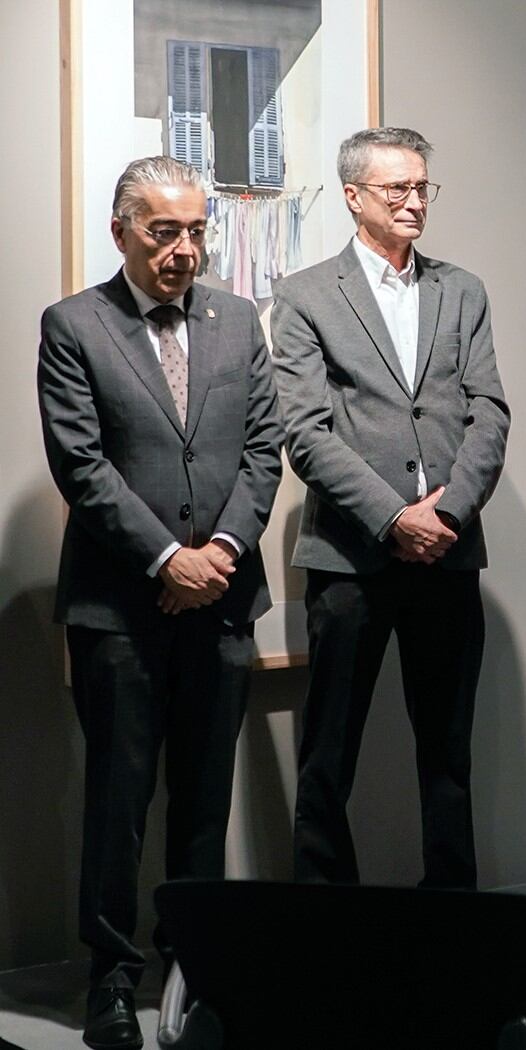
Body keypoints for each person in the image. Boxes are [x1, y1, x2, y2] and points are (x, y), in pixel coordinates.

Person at [38, 156, 283, 1049]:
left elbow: (265, 451)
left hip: (221, 601)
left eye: (195, 231)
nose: (184, 250)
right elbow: (82, 466)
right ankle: (111, 978)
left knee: (203, 801)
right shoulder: (73, 325)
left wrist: (217, 552)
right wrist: (162, 559)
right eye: (163, 232)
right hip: (120, 614)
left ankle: (197, 972)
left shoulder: (239, 320)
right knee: (117, 802)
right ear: (122, 233)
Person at [272, 127, 509, 888]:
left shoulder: (462, 289)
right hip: (350, 560)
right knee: (327, 758)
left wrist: (448, 513)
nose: (413, 202)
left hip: (449, 553)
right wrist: (392, 517)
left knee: (448, 755)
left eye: (421, 188)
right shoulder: (306, 294)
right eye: (395, 189)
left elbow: (490, 412)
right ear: (354, 197)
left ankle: (453, 929)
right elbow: (303, 432)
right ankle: (325, 930)